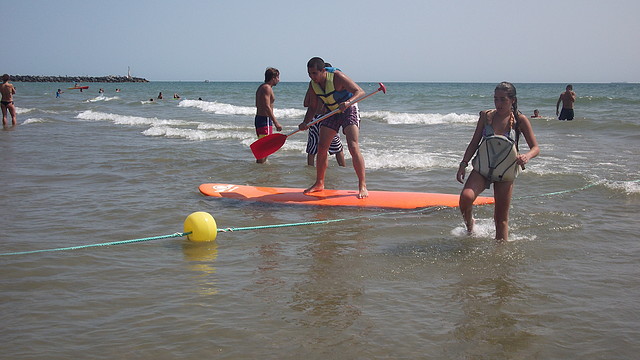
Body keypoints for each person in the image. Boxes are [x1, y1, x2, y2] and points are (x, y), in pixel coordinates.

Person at [456, 82, 540, 242]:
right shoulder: (486, 117)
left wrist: (527, 156)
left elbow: (535, 147)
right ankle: (470, 226)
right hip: (482, 168)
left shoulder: (520, 120)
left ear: (513, 100)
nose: (498, 103)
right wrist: (463, 164)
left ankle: (500, 257)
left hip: (505, 171)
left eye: (503, 100)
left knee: (500, 219)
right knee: (466, 197)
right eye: (496, 99)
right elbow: (474, 143)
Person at [298, 57, 367, 198]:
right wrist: (305, 122)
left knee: (353, 146)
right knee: (322, 147)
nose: (312, 77)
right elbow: (312, 107)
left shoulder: (337, 77)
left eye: (314, 73)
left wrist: (348, 102)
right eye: (309, 74)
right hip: (332, 111)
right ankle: (319, 183)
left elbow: (360, 92)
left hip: (349, 108)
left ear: (323, 71)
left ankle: (362, 185)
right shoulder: (313, 85)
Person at [303, 63, 345, 167]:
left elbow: (306, 103)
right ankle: (342, 168)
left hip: (316, 118)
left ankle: (311, 169)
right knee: (336, 147)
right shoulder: (316, 86)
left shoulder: (315, 85)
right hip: (326, 118)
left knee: (313, 147)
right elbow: (307, 104)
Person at [254, 67, 283, 163]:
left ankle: (261, 169)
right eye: (278, 77)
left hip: (261, 119)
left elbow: (257, 104)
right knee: (264, 148)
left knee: (265, 147)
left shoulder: (262, 87)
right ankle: (260, 171)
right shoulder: (267, 88)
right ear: (273, 77)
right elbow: (267, 106)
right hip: (264, 119)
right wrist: (276, 123)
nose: (279, 80)